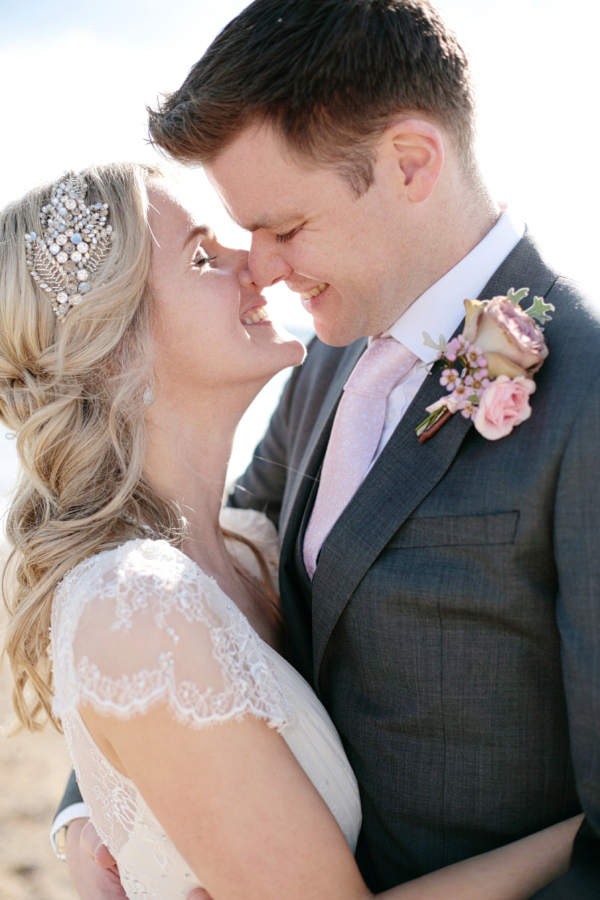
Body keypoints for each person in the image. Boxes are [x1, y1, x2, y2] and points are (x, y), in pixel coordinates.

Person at [55, 1, 600, 898]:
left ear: (410, 163)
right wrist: (100, 800)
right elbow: (208, 575)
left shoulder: (586, 388)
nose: (261, 267)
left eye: (285, 227)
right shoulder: (333, 354)